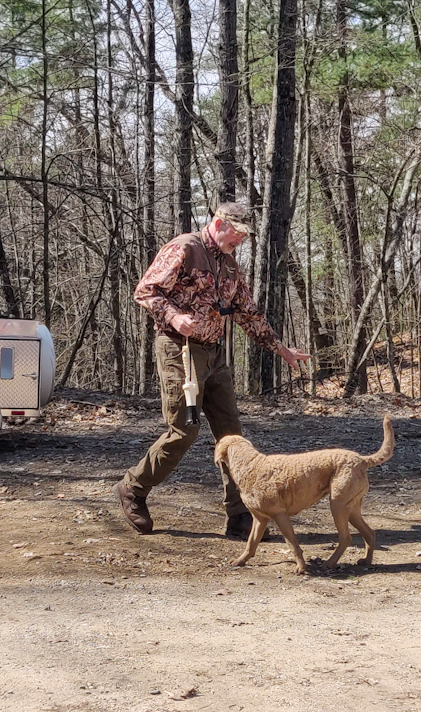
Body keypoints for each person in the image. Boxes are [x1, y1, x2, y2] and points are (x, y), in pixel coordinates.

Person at [114, 201, 311, 539]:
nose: (241, 243)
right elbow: (146, 291)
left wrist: (280, 348)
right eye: (238, 236)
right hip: (179, 350)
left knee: (232, 435)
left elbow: (248, 313)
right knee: (184, 430)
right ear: (220, 224)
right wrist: (175, 316)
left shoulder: (230, 265)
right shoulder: (184, 248)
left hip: (215, 354)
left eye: (245, 238)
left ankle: (239, 516)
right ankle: (133, 488)